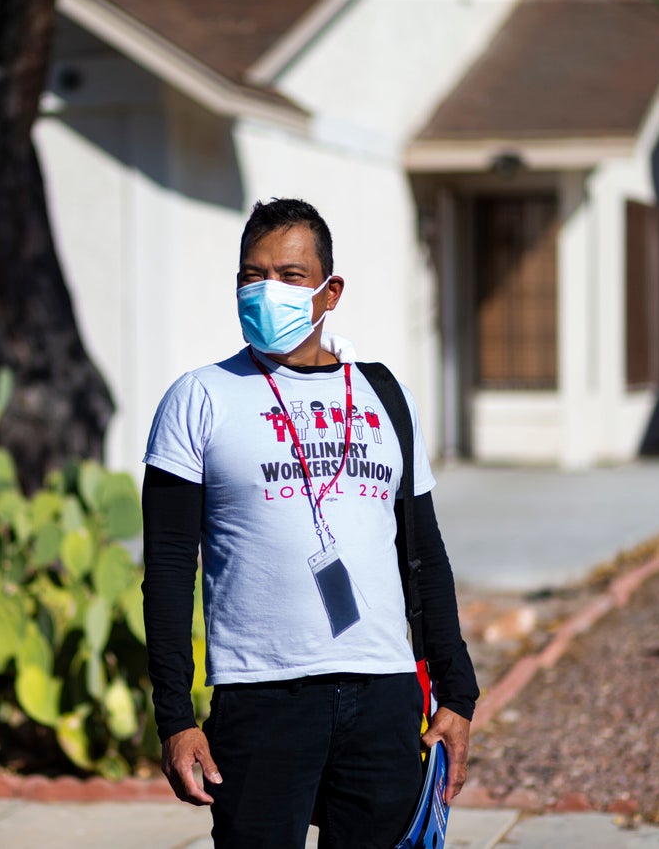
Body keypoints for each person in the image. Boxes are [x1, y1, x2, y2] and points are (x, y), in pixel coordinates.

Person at [142, 198, 478, 848]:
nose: (267, 291)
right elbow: (168, 566)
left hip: (384, 693)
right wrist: (175, 717)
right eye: (252, 275)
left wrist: (457, 693)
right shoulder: (199, 398)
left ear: (330, 292)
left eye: (290, 275)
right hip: (262, 696)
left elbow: (425, 553)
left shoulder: (385, 395)